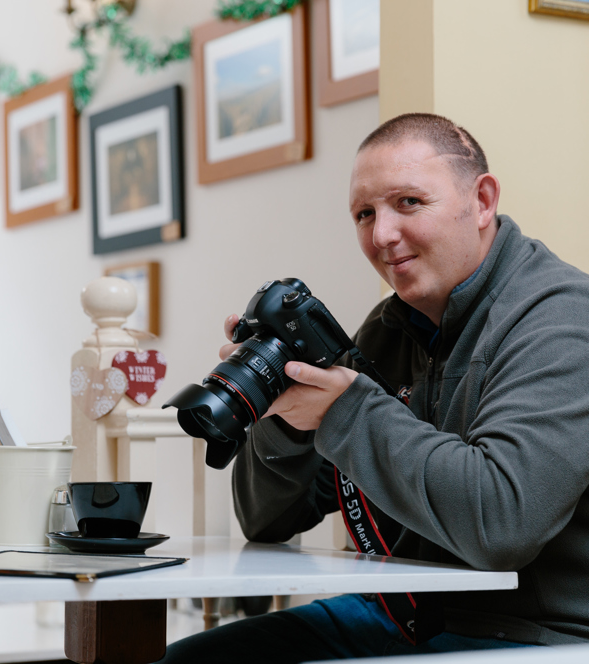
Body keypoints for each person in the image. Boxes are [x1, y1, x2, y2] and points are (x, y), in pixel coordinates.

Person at [161, 113, 589, 662]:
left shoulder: (562, 319)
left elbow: (501, 522)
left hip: (529, 634)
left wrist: (345, 412)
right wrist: (288, 415)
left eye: (409, 202)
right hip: (402, 613)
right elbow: (267, 521)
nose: (382, 235)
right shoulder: (387, 330)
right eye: (365, 213)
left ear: (482, 201)